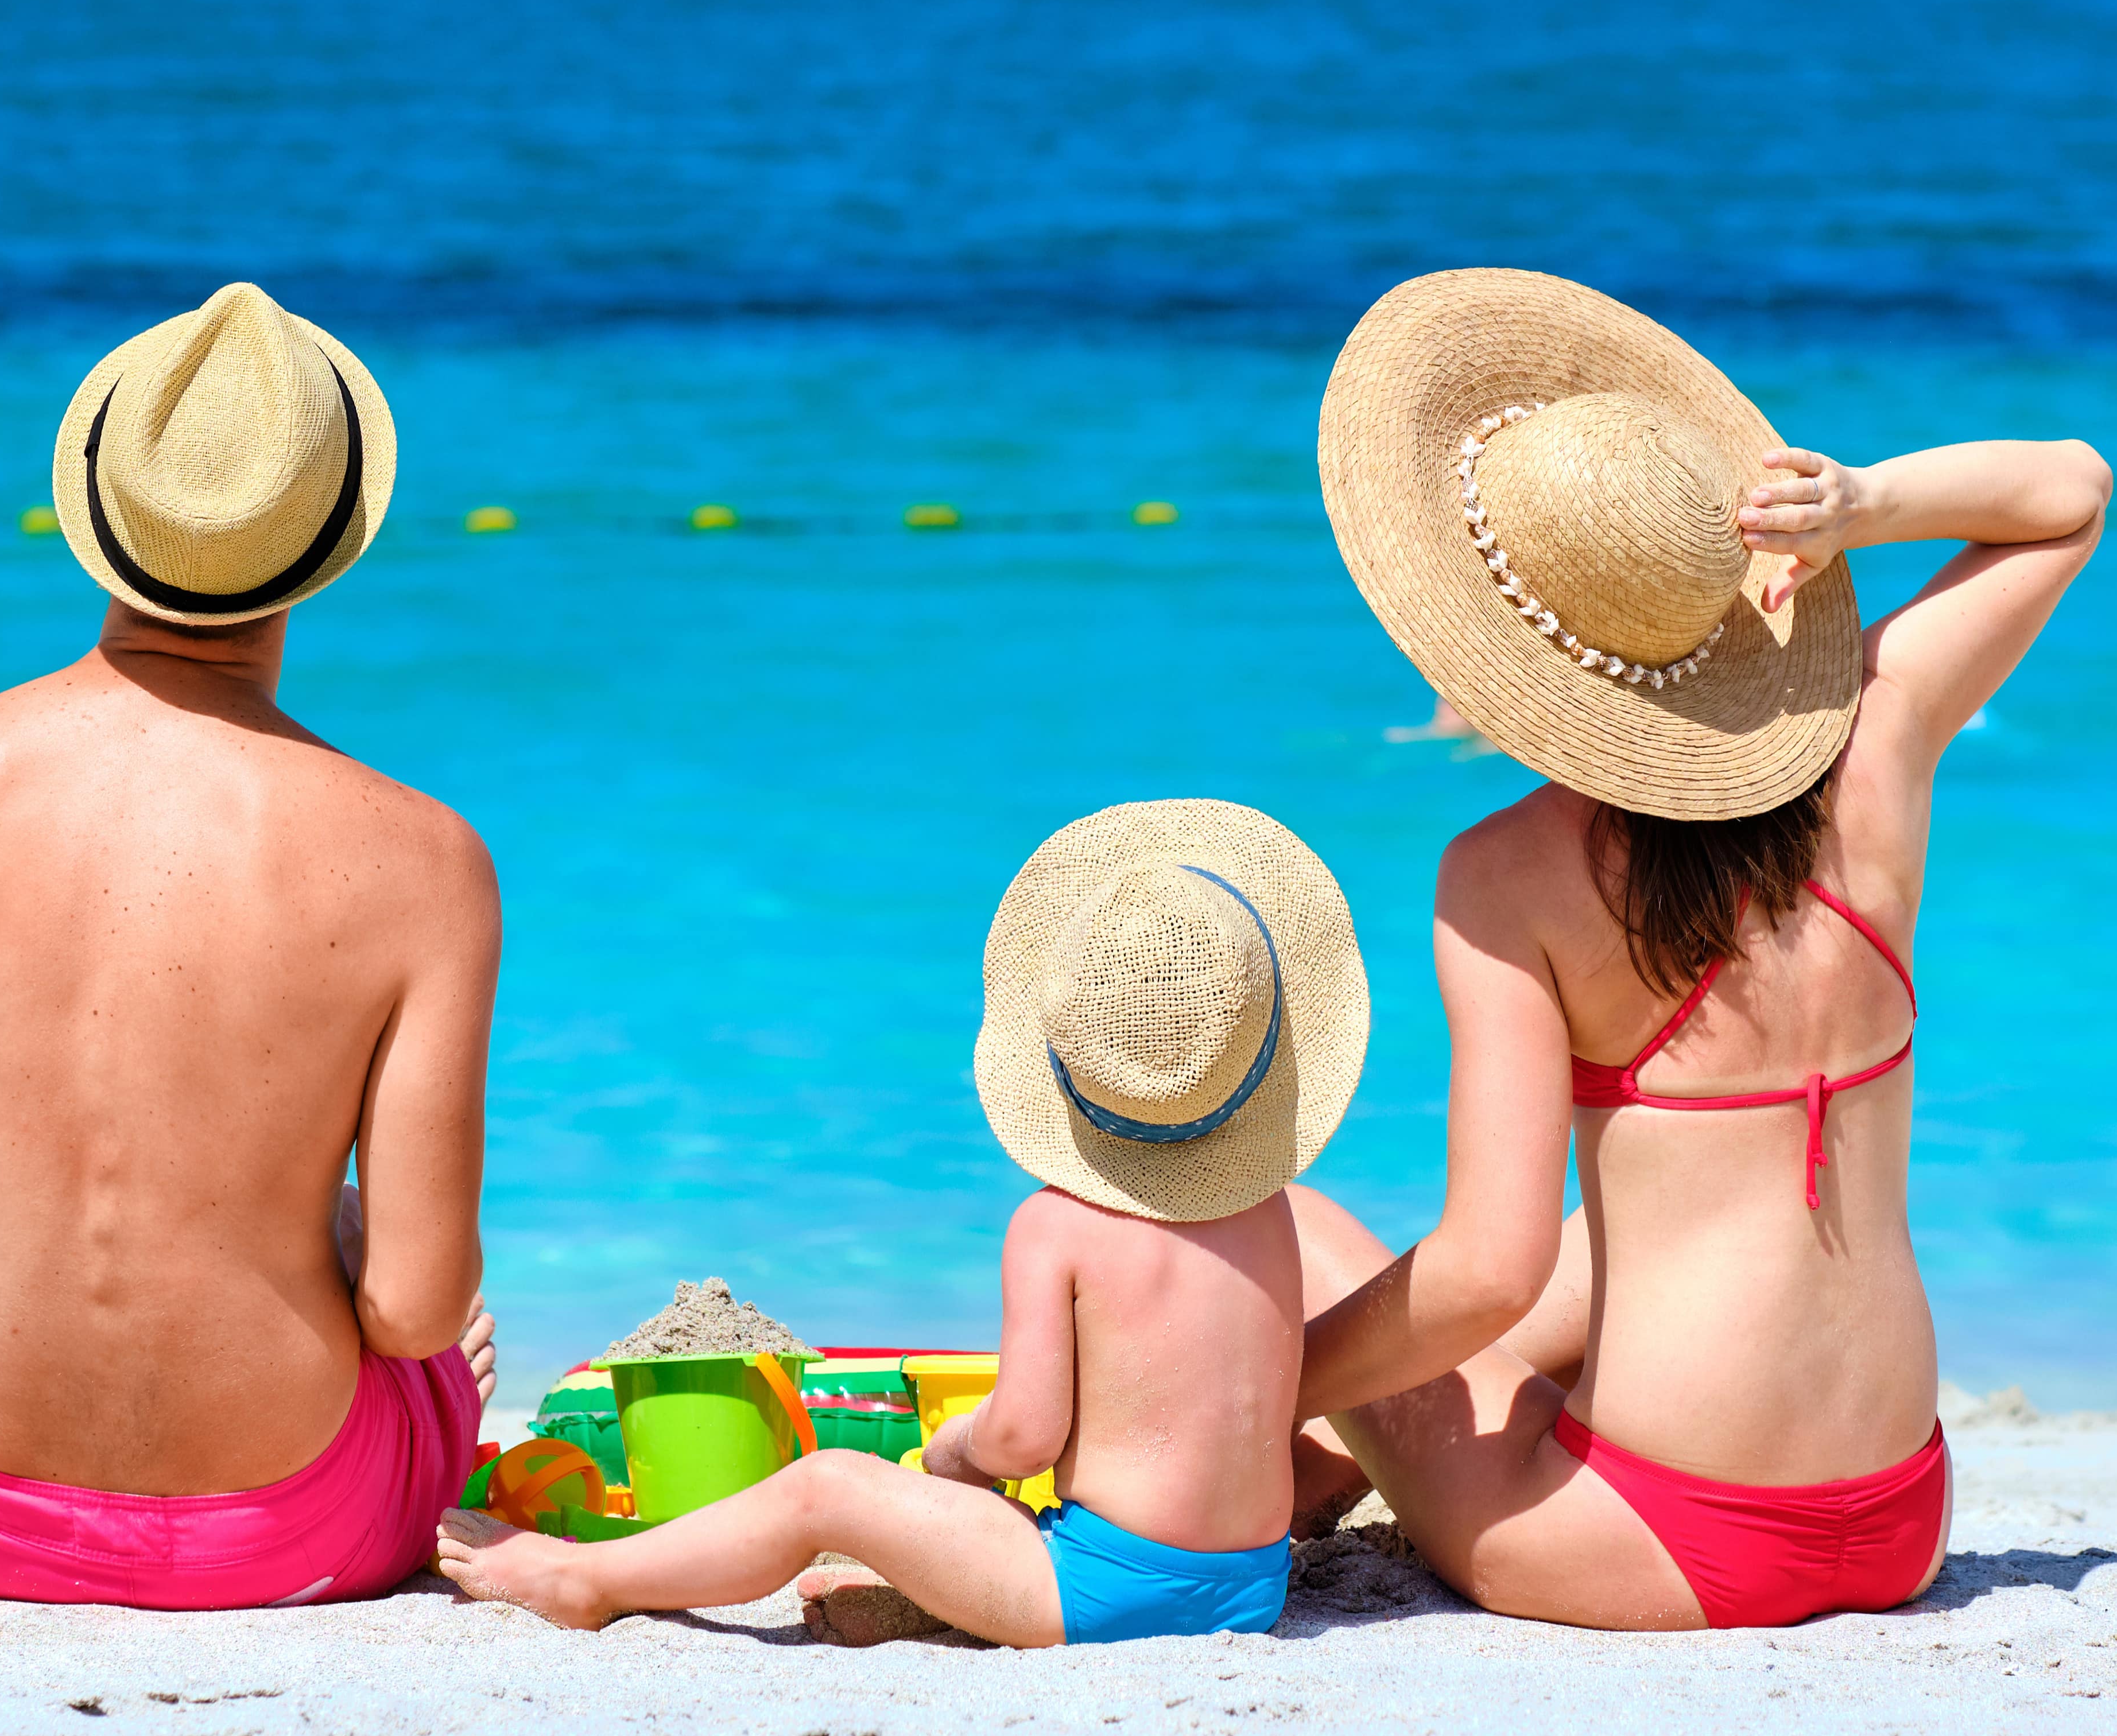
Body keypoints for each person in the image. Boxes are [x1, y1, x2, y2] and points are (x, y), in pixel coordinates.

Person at [1295, 266, 2109, 1632]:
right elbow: (2072, 490)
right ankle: (1317, 1459)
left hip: (1666, 1536)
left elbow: (1479, 1273)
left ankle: (1279, 1449)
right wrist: (1860, 507)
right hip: (1901, 1514)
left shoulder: (1503, 876)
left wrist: (1269, 1380)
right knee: (1606, 1237)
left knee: (1306, 1236)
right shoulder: (1876, 742)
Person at [0, 282, 502, 1609]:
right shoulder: (425, 859)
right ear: (332, 544)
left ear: (97, 517)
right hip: (292, 1523)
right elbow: (415, 1312)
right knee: (401, 1283)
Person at [437, 798, 1370, 1645]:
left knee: (826, 1485)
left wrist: (954, 1450)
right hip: (1252, 1587)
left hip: (1104, 1592)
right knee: (988, 1530)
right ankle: (923, 1598)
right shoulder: (1271, 1212)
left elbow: (1024, 1441)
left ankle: (586, 1578)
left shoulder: (1057, 1226)